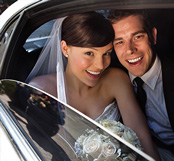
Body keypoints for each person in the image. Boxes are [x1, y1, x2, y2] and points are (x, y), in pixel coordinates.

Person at [26, 12, 160, 161]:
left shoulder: (116, 79)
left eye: (107, 53)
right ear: (65, 49)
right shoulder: (40, 91)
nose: (100, 65)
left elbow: (142, 140)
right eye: (89, 53)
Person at [108, 10, 174, 160]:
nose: (130, 50)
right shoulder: (112, 76)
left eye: (137, 37)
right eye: (120, 42)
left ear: (153, 36)